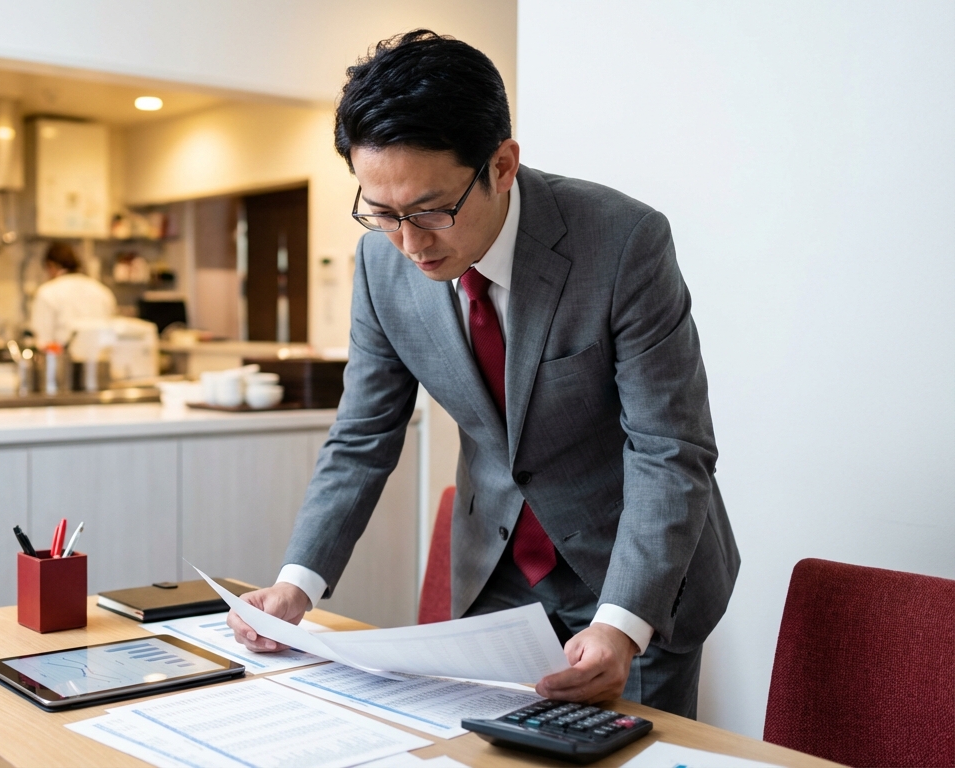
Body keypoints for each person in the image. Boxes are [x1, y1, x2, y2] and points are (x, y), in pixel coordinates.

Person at [226, 30, 740, 719]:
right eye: (381, 213)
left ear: (502, 165)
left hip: (629, 577)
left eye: (430, 211)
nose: (409, 243)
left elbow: (671, 449)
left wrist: (622, 624)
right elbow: (363, 436)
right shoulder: (381, 267)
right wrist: (298, 584)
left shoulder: (622, 244)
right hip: (496, 578)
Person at [30, 241, 117, 348]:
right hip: (101, 360)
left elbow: (43, 341)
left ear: (51, 265)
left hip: (63, 362)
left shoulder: (47, 292)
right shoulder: (102, 291)